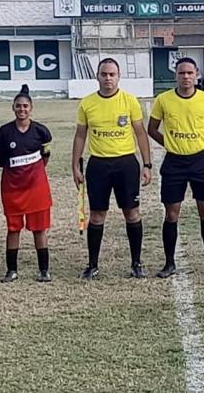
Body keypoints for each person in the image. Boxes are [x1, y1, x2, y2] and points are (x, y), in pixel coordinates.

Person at [72, 58, 152, 279]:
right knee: (97, 215)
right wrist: (75, 165)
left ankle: (136, 263)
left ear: (118, 76)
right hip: (98, 165)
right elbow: (80, 135)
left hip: (126, 164)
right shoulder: (87, 103)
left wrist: (146, 164)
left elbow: (140, 133)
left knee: (132, 213)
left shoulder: (129, 101)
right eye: (104, 74)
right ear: (97, 76)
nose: (108, 78)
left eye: (112, 74)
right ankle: (93, 265)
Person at [148, 57, 204, 278]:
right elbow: (152, 129)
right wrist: (170, 143)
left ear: (197, 74)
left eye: (189, 73)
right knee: (172, 214)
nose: (186, 77)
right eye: (181, 73)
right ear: (176, 75)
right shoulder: (163, 100)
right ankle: (169, 263)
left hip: (200, 161)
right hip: (174, 162)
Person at [0, 86, 53, 282]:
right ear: (13, 108)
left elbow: (45, 157)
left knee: (39, 228)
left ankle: (44, 270)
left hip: (36, 187)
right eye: (18, 106)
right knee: (13, 228)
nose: (22, 109)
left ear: (31, 108)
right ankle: (11, 270)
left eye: (25, 106)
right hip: (12, 187)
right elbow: (4, 162)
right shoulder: (4, 133)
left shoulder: (42, 131)